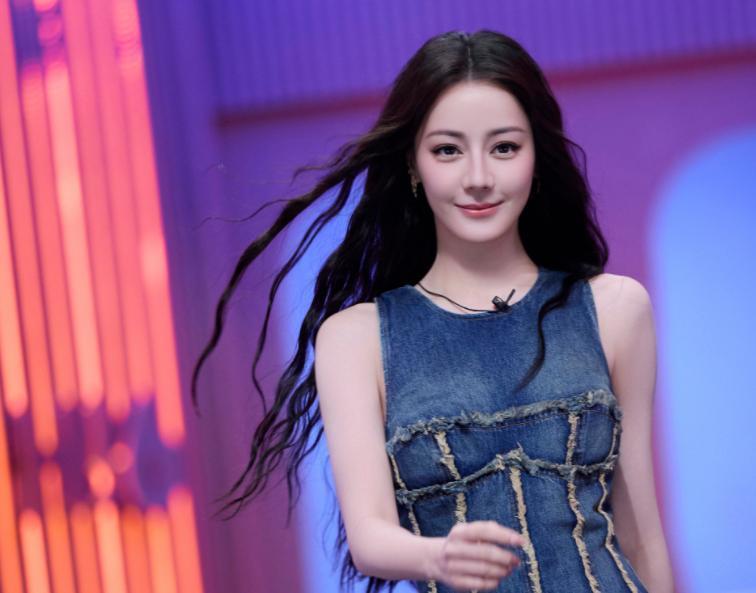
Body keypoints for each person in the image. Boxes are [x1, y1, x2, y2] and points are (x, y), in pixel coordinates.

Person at [192, 30, 675, 592]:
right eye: (448, 150)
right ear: (413, 166)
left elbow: (642, 536)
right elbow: (369, 537)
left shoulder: (614, 307)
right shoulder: (355, 338)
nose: (478, 177)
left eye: (504, 148)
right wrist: (436, 555)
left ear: (537, 160)